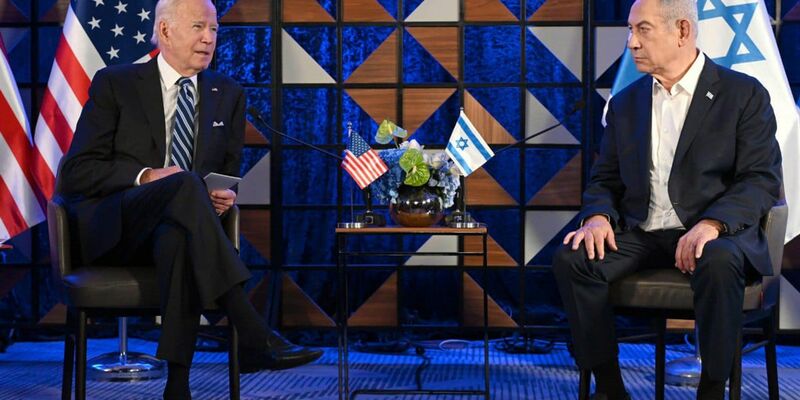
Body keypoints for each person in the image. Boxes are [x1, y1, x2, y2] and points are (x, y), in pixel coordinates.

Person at [56, 0, 322, 398]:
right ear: (164, 32)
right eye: (199, 26)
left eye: (214, 30)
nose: (209, 38)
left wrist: (223, 194)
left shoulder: (227, 93)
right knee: (182, 184)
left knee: (178, 233)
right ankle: (250, 329)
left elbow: (227, 171)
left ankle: (177, 388)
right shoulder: (116, 83)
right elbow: (77, 172)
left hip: (183, 227)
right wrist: (147, 176)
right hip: (118, 227)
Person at [552, 0, 782, 399]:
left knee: (721, 259)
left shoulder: (742, 95)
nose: (631, 43)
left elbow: (760, 179)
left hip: (713, 234)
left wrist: (712, 224)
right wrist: (598, 217)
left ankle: (712, 387)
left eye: (643, 30)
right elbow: (604, 180)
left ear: (682, 32)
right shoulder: (625, 103)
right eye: (629, 30)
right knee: (574, 259)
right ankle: (609, 386)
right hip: (643, 231)